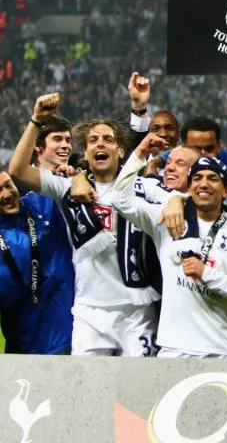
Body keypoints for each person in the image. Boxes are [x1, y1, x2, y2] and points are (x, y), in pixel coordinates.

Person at [10, 93, 161, 357]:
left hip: (136, 310)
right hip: (89, 312)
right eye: (92, 140)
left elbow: (178, 198)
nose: (99, 144)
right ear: (87, 152)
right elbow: (18, 171)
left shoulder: (143, 188)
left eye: (107, 139)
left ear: (120, 150)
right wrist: (36, 121)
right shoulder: (67, 187)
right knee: (85, 392)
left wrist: (172, 204)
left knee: (139, 393)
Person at [108, 144, 227, 358]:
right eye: (197, 178)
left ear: (226, 191)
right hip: (173, 350)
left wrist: (206, 274)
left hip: (222, 351)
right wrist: (140, 154)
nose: (204, 184)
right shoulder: (166, 219)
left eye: (212, 178)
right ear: (189, 187)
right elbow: (119, 199)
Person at [0, 165, 74, 354]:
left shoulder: (43, 205)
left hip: (68, 335)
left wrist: (74, 176)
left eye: (8, 185)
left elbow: (68, 185)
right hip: (24, 342)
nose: (7, 194)